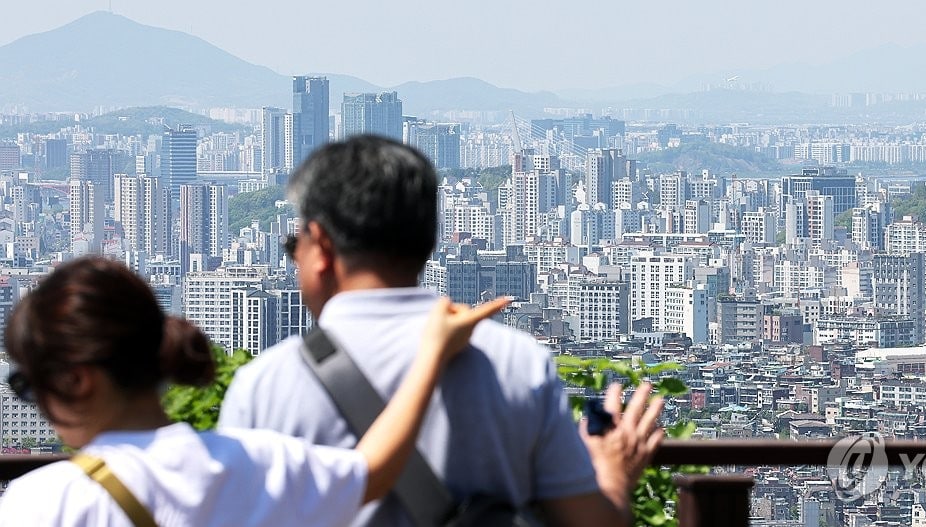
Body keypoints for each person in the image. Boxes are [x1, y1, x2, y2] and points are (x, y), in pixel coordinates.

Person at [219, 135, 665, 526]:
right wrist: (612, 472)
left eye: (294, 244)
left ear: (321, 247)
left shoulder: (264, 386)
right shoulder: (514, 361)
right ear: (430, 239)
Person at [0, 256, 509, 526]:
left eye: (27, 385)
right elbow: (373, 471)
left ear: (75, 380)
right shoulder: (262, 465)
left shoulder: (46, 503)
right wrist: (430, 354)